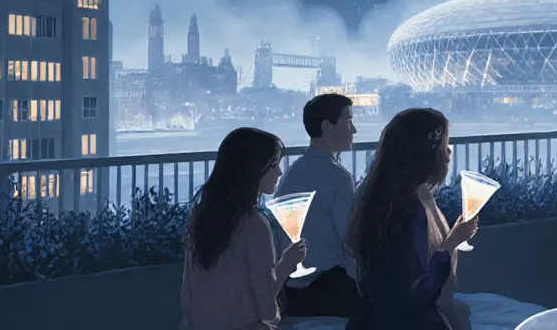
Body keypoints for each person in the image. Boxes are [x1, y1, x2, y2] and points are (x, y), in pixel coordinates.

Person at [346, 108, 479, 330]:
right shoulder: (409, 211)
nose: (449, 152)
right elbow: (414, 293)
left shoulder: (383, 199)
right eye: (444, 144)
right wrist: (450, 244)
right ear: (427, 152)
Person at [180, 127, 307, 330]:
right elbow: (266, 309)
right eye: (273, 164)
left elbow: (187, 300)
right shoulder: (255, 225)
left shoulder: (200, 217)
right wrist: (287, 263)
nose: (280, 171)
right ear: (252, 169)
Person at [274, 93, 360, 318]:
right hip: (328, 289)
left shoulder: (292, 172)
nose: (354, 130)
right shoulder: (338, 177)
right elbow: (350, 243)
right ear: (327, 126)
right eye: (348, 122)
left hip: (294, 290)